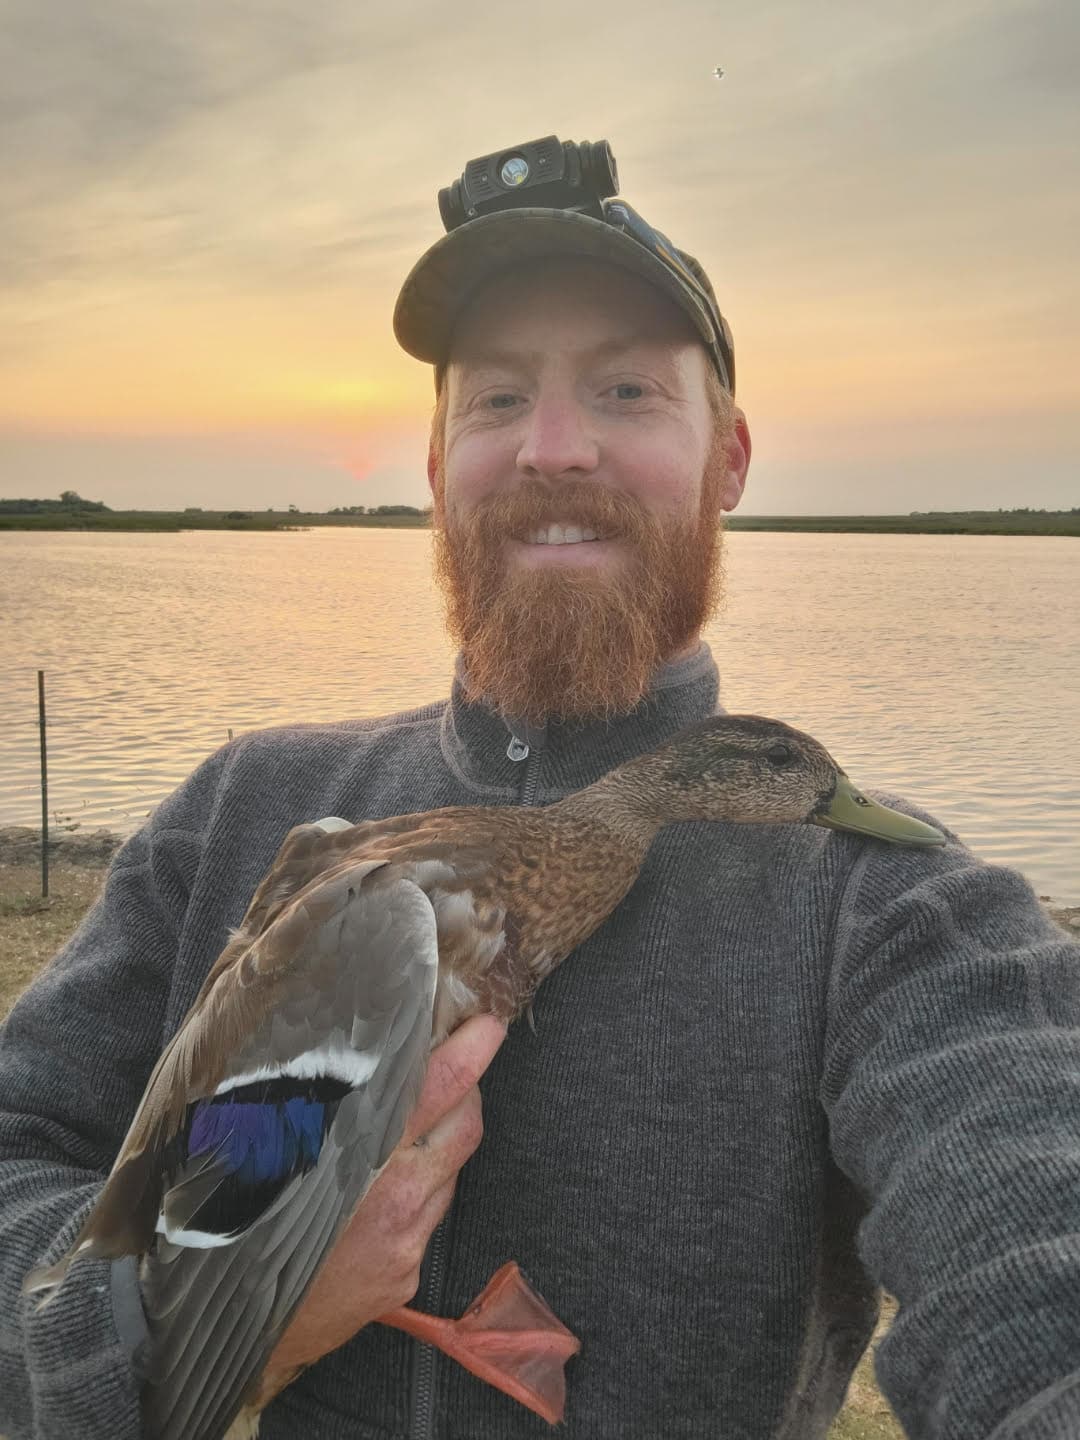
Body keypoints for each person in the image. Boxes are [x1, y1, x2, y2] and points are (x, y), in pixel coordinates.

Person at [1, 134, 1079, 1440]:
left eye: (626, 391)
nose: (552, 449)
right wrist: (190, 1313)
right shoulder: (243, 811)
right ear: (436, 459)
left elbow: (1032, 1242)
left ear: (729, 461)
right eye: (499, 400)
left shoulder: (892, 912)